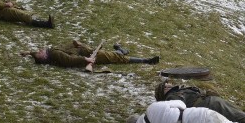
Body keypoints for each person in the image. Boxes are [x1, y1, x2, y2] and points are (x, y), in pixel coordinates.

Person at [24, 40, 159, 70]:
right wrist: (86, 59)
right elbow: (69, 60)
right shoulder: (54, 54)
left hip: (85, 50)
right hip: (88, 55)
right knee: (117, 58)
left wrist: (27, 53)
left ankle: (119, 49)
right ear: (43, 57)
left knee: (111, 56)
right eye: (39, 53)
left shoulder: (50, 53)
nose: (41, 50)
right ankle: (146, 61)